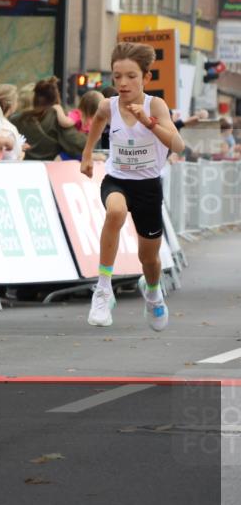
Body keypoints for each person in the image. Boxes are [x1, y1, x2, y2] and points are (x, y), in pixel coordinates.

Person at [80, 42, 184, 331]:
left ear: (146, 78)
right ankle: (103, 289)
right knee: (115, 212)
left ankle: (152, 291)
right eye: (117, 76)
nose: (123, 83)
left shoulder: (156, 106)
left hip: (148, 186)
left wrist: (148, 123)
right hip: (117, 180)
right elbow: (98, 122)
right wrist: (87, 155)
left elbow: (178, 144)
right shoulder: (108, 105)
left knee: (148, 259)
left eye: (131, 76)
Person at [12, 77, 87, 161]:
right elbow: (78, 143)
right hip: (50, 168)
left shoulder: (15, 120)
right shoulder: (57, 117)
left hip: (23, 168)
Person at [0, 83, 25, 161]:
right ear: (11, 104)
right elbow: (12, 158)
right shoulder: (10, 128)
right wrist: (21, 155)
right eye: (16, 100)